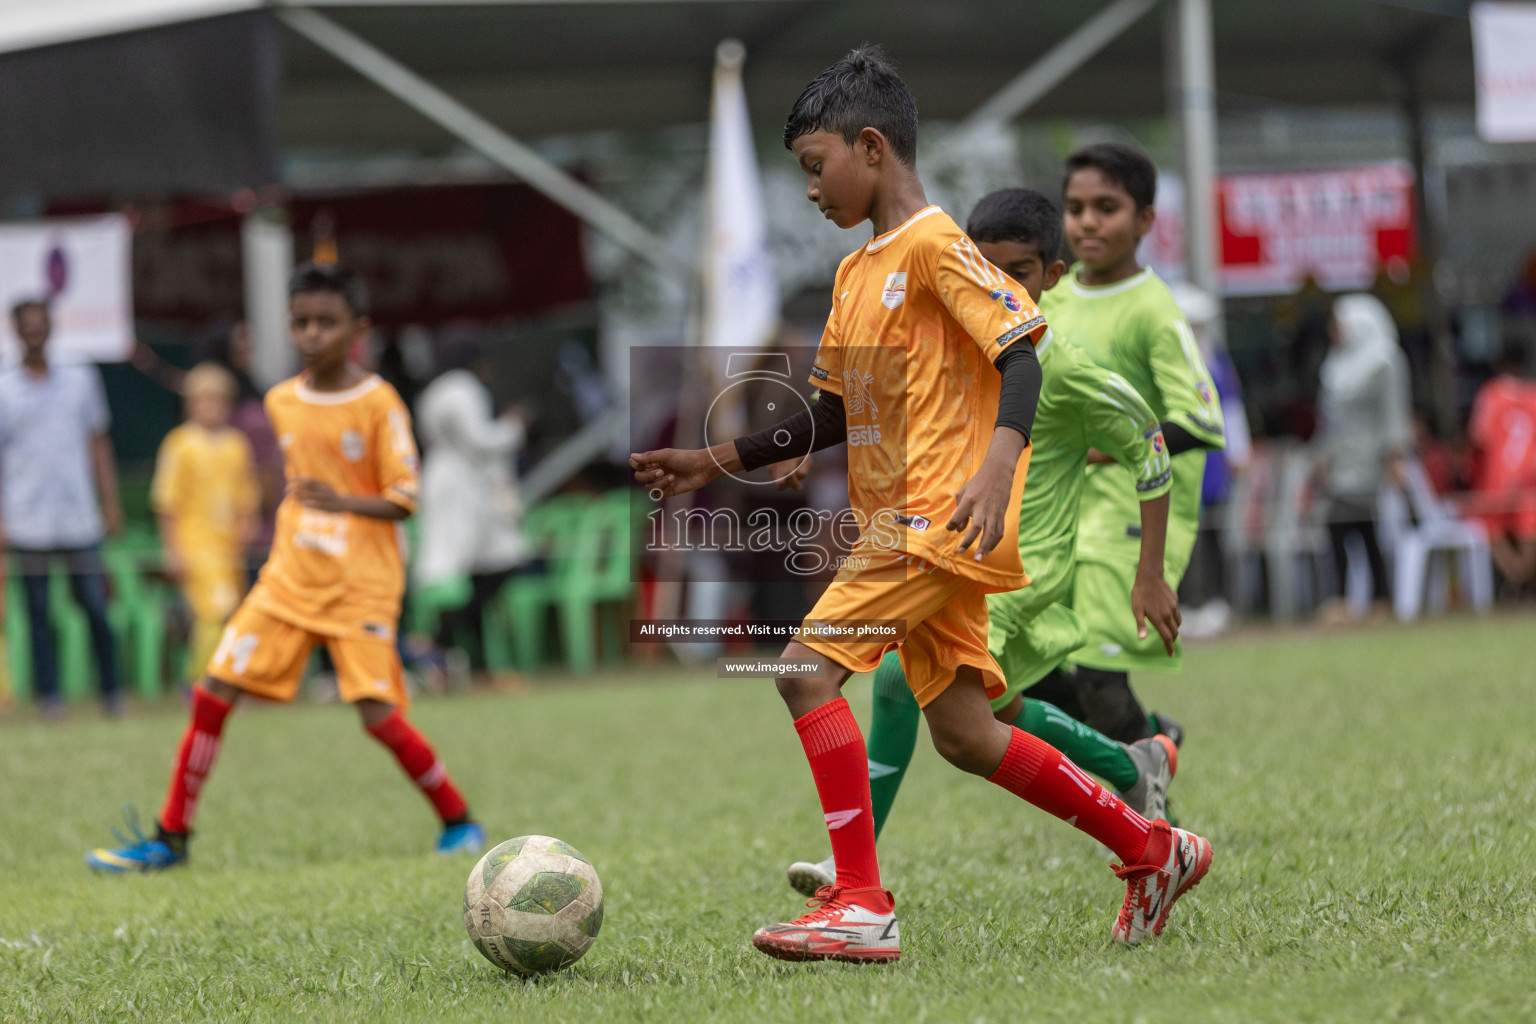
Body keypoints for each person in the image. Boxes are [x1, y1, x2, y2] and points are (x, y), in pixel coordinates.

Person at [631, 49, 1211, 962]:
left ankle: (859, 901)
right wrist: (713, 459)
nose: (812, 190)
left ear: (871, 146)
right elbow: (829, 413)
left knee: (800, 671)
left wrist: (996, 464)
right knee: (969, 735)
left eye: (816, 167)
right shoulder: (857, 274)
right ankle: (1154, 848)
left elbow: (1022, 351)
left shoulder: (940, 245)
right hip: (903, 525)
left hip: (937, 517)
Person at [783, 187, 1182, 897]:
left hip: (1028, 567)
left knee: (904, 683)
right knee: (975, 722)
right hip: (956, 547)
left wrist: (1149, 574)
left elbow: (1151, 444)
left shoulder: (1062, 364)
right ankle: (1135, 776)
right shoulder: (952, 341)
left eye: (1019, 273)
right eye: (984, 269)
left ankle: (855, 877)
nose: (998, 286)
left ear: (1051, 277)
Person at [86, 263, 484, 872]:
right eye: (301, 322)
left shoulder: (378, 403)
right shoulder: (281, 400)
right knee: (213, 692)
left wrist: (342, 501)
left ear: (358, 328)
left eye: (327, 322)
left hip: (361, 587)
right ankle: (171, 839)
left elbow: (404, 497)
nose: (312, 334)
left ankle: (458, 819)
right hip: (289, 578)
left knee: (377, 715)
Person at [1028, 143, 1226, 747]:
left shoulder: (1153, 309)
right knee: (1021, 673)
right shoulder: (1051, 297)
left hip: (1129, 516)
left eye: (1106, 207)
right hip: (1055, 515)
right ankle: (1152, 741)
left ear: (1145, 220)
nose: (1087, 222)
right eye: (1076, 207)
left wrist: (1106, 448)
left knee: (1097, 678)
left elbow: (1199, 421)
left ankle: (1155, 830)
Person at [0, 299, 125, 719]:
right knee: (37, 614)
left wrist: (110, 502)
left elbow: (98, 442)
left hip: (78, 516)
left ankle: (112, 693)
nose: (35, 332)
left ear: (51, 327)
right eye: (27, 326)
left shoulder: (79, 378)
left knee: (95, 605)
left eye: (41, 324)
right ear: (16, 330)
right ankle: (50, 699)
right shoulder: (4, 388)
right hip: (27, 517)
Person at [414, 335, 532, 671]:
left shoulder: (434, 390)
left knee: (475, 571)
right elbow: (480, 440)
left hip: (445, 479)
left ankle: (467, 658)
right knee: (494, 565)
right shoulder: (462, 387)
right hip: (464, 487)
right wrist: (514, 426)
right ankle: (436, 641)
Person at [152, 363, 260, 688]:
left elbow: (247, 495)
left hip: (229, 547)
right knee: (214, 611)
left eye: (217, 401)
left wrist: (249, 524)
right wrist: (172, 550)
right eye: (204, 401)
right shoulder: (180, 444)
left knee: (231, 615)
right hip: (195, 545)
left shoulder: (236, 444)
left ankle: (221, 680)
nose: (211, 408)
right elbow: (166, 503)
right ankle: (202, 681)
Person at [1312, 293, 1412, 621]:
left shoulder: (1385, 360)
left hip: (1368, 461)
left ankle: (1349, 598)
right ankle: (1377, 599)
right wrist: (1322, 458)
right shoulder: (1337, 364)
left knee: (1344, 524)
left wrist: (1396, 458)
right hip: (1339, 461)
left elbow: (1394, 412)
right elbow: (1328, 420)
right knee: (1361, 530)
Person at [1465, 340, 1536, 588]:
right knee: (1530, 528)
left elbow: (1479, 437)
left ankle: (1517, 579)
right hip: (1530, 479)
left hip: (1497, 479)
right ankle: (1524, 579)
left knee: (1488, 525)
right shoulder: (1533, 394)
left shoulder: (1491, 393)